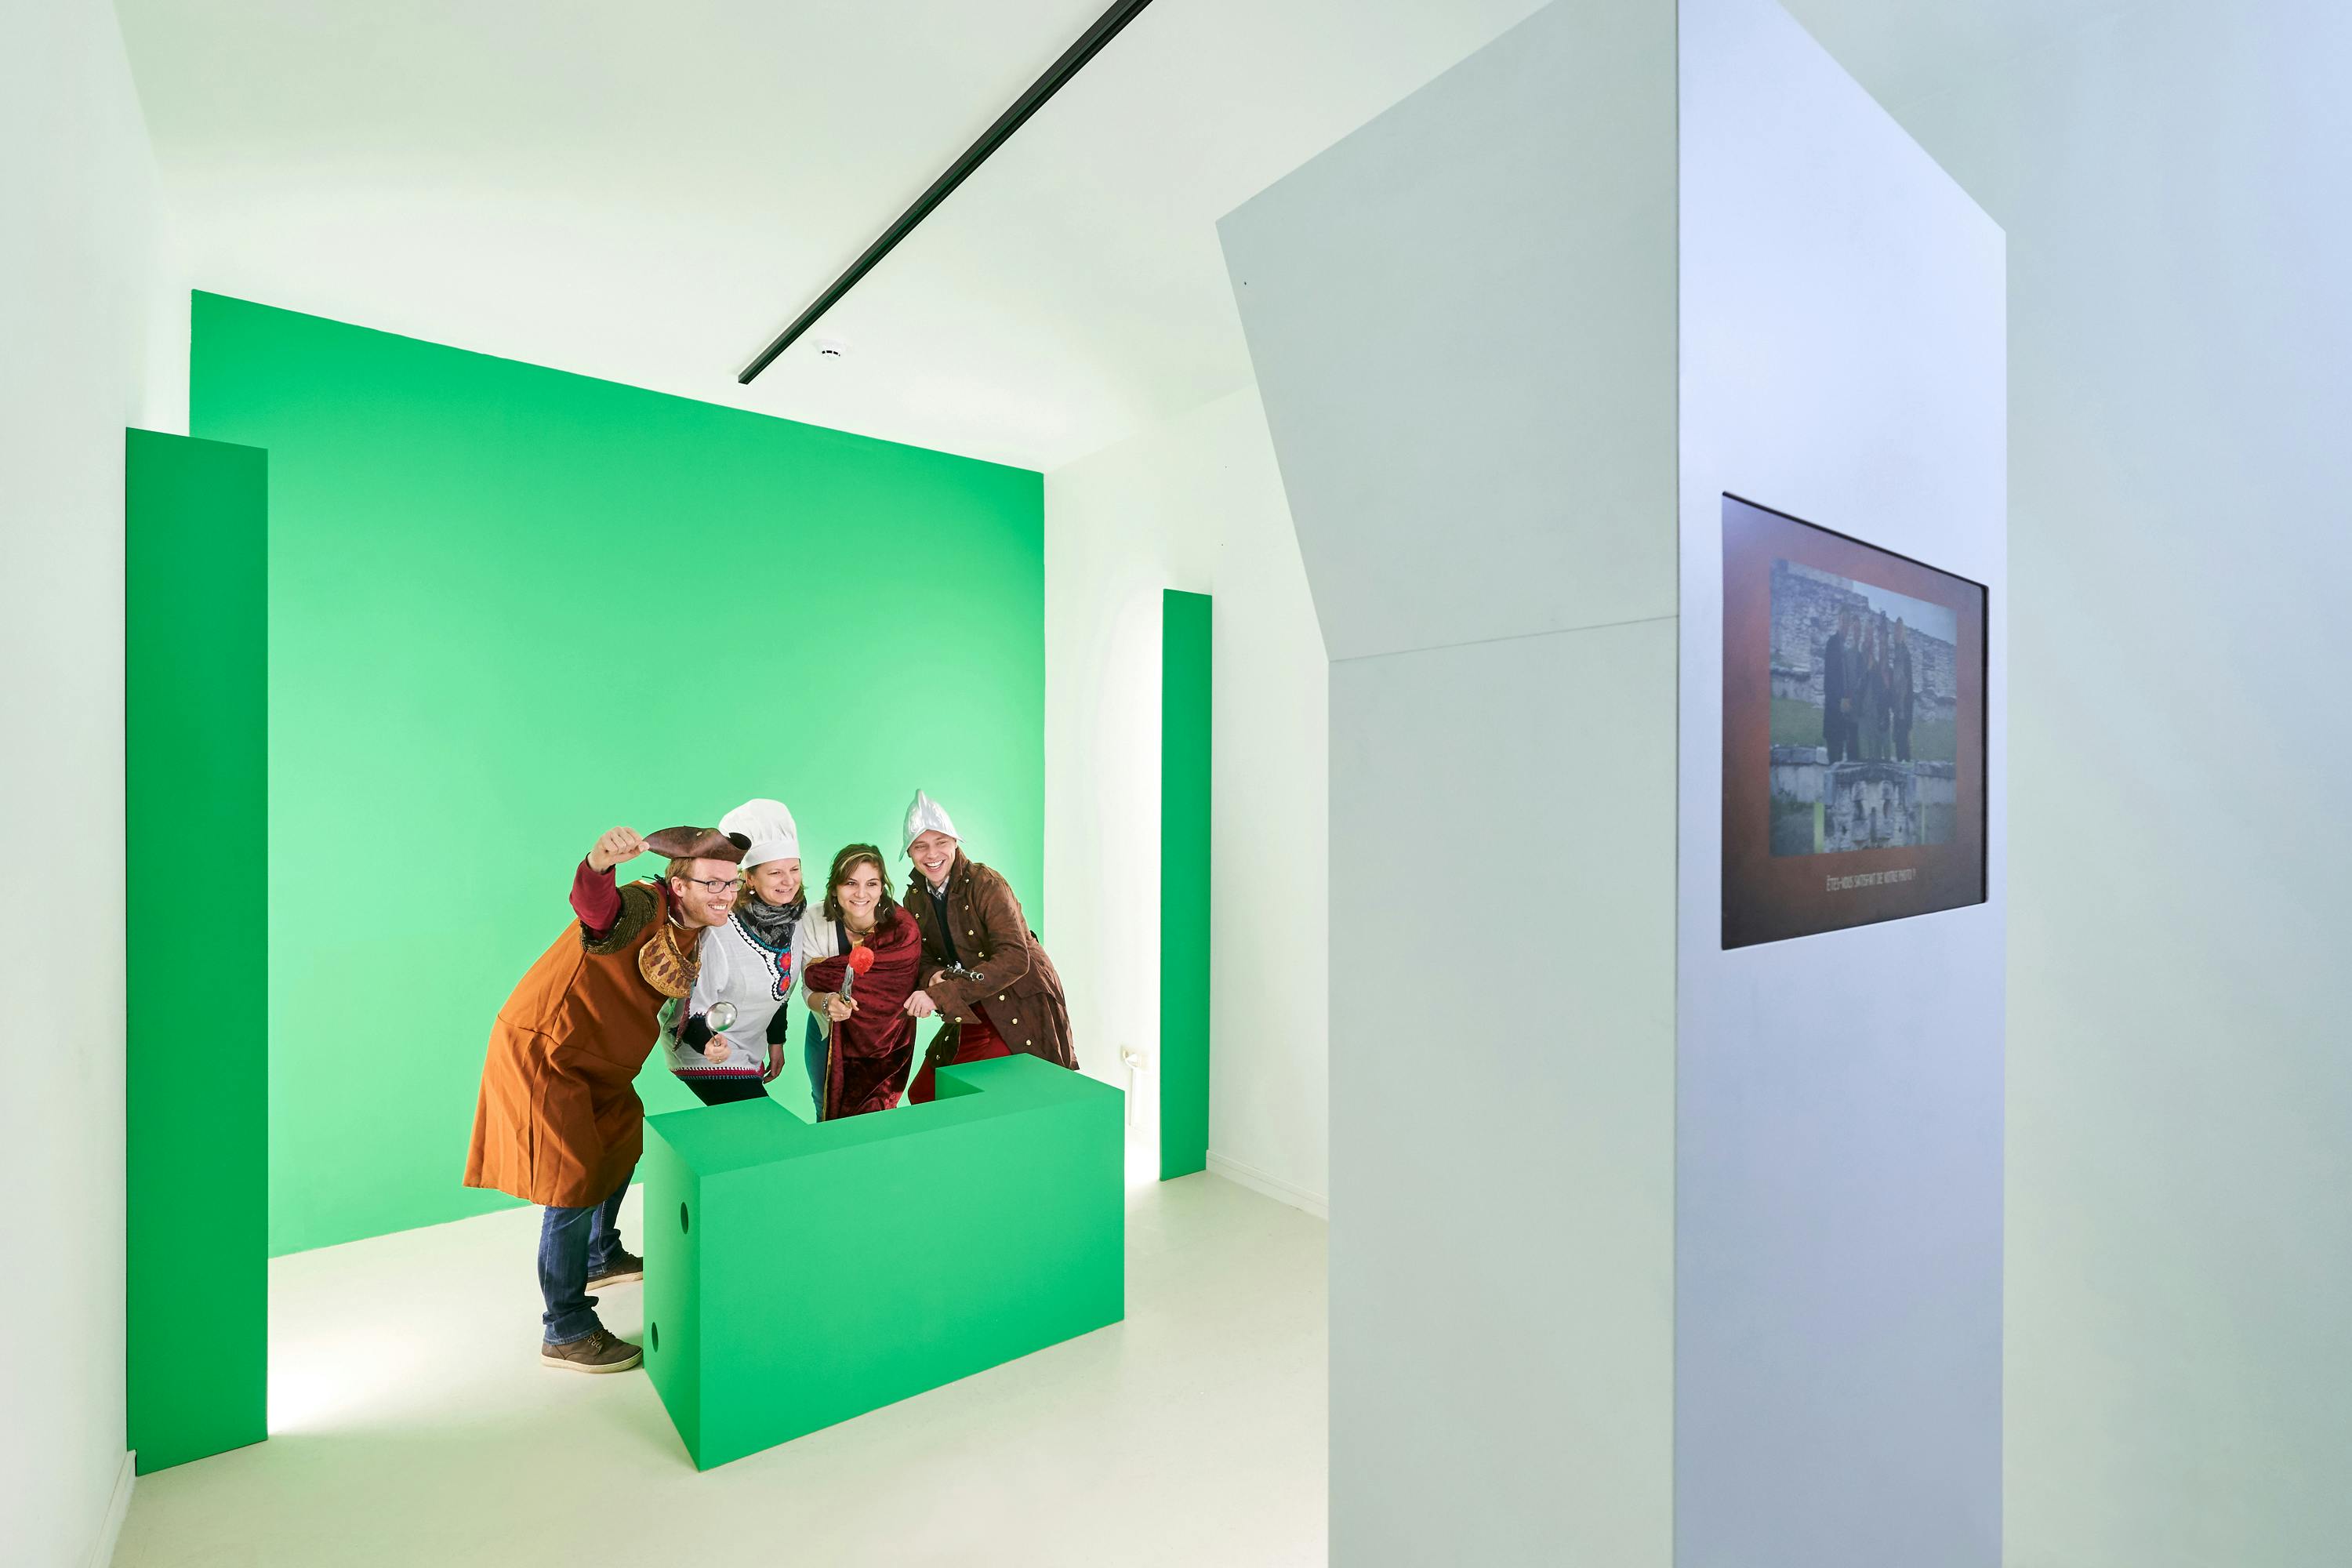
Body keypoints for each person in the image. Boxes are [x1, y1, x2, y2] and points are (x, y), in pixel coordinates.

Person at [464, 822, 747, 1373]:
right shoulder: (643, 904)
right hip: (551, 1051)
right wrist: (598, 865)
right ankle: (565, 1328)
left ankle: (600, 1255)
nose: (725, 894)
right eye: (712, 883)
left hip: (601, 1061)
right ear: (679, 884)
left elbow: (675, 1004)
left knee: (621, 1139)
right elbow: (597, 911)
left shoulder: (696, 929)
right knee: (572, 1183)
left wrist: (700, 1038)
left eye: (731, 883)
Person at [898, 790, 1079, 1103]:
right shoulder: (914, 898)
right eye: (920, 846)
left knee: (997, 1099)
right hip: (972, 1004)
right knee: (924, 1092)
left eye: (941, 842)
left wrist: (939, 993)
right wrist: (933, 976)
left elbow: (1014, 959)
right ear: (910, 852)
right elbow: (922, 958)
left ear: (955, 843)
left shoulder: (986, 883)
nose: (932, 854)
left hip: (1018, 1000)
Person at [663, 799, 805, 1108]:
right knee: (763, 1128)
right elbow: (687, 1009)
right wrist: (707, 1043)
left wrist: (776, 1042)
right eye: (775, 872)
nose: (789, 880)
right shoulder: (720, 931)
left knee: (744, 1130)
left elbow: (780, 991)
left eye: (794, 869)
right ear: (749, 878)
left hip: (749, 1048)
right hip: (706, 1051)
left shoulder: (796, 920)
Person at [796, 844, 924, 1119]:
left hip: (884, 1042)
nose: (861, 894)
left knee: (875, 1115)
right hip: (826, 1031)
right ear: (834, 888)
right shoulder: (813, 919)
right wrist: (827, 1002)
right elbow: (809, 984)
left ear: (882, 888)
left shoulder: (900, 930)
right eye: (851, 883)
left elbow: (898, 988)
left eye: (871, 884)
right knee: (824, 1105)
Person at [1820, 610, 1850, 762]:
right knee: (1834, 760)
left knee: (1838, 759)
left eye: (1847, 622)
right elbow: (1830, 680)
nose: (1845, 625)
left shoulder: (1843, 646)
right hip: (1834, 712)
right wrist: (1840, 702)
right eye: (1842, 621)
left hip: (1842, 715)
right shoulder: (1832, 643)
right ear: (1838, 622)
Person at [1890, 619, 1916, 762]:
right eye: (1896, 630)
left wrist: (1909, 722)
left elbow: (1909, 688)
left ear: (1903, 633)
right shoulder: (1897, 653)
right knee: (1900, 752)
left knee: (1905, 754)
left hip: (1904, 713)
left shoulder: (1905, 655)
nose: (1898, 633)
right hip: (1898, 712)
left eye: (1900, 630)